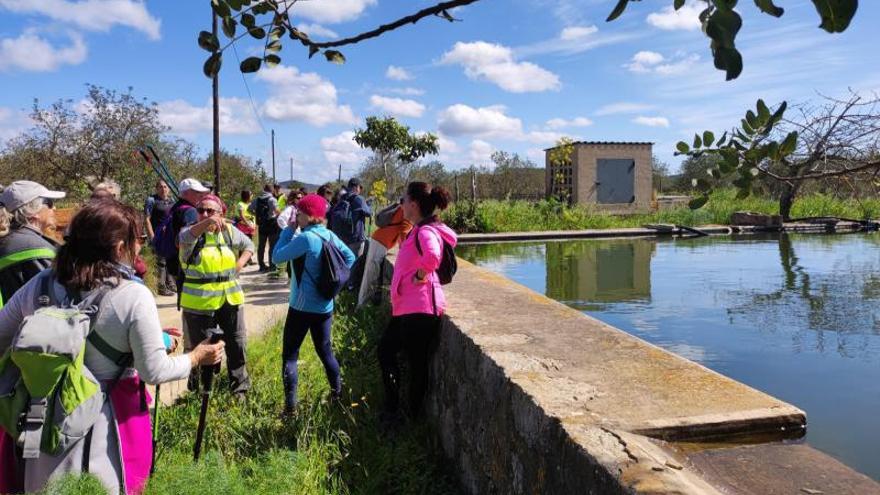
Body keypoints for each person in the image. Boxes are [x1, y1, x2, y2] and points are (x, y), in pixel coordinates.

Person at [0, 200, 224, 495]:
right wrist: (196, 357)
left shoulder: (42, 283)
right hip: (103, 428)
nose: (140, 248)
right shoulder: (132, 295)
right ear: (120, 247)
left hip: (42, 420)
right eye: (137, 241)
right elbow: (153, 370)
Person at [378, 182, 456, 422]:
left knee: (410, 362)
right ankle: (401, 412)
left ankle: (405, 416)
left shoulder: (425, 232)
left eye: (403, 199)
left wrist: (420, 275)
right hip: (411, 307)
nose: (401, 203)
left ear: (413, 204)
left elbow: (433, 255)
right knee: (393, 354)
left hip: (419, 309)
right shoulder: (420, 228)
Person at [271, 194, 355, 415]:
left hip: (300, 307)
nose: (295, 215)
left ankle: (290, 409)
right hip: (325, 306)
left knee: (290, 356)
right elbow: (350, 258)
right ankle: (338, 395)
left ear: (307, 215)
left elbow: (277, 257)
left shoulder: (305, 238)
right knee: (325, 352)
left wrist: (288, 231)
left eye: (298, 212)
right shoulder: (329, 235)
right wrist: (332, 284)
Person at [179, 195, 254, 398]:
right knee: (200, 348)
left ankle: (239, 389)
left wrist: (239, 266)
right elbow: (185, 239)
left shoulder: (229, 231)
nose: (204, 214)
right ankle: (199, 392)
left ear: (221, 213)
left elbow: (249, 246)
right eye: (201, 210)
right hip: (199, 303)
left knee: (236, 343)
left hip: (230, 300)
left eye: (210, 211)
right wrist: (207, 222)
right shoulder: (189, 232)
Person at [0, 180, 65, 308]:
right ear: (33, 212)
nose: (54, 208)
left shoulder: (8, 239)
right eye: (49, 203)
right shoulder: (36, 248)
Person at [357, 198, 413, 307]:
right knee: (371, 274)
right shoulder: (406, 213)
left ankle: (362, 304)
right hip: (381, 242)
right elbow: (404, 234)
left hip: (378, 240)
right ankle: (361, 305)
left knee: (370, 273)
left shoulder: (400, 208)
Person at [165, 178, 210, 292]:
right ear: (186, 193)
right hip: (186, 264)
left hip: (174, 260)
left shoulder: (175, 207)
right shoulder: (190, 211)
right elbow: (189, 238)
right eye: (196, 192)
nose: (200, 195)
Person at [144, 180, 176, 296]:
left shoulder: (171, 200)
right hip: (158, 236)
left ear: (168, 188)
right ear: (156, 188)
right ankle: (161, 288)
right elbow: (147, 219)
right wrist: (152, 237)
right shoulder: (151, 200)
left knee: (169, 260)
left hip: (170, 237)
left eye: (165, 187)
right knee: (161, 262)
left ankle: (171, 284)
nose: (163, 189)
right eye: (160, 187)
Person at [329, 178, 372, 257]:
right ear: (356, 187)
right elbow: (368, 213)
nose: (360, 190)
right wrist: (369, 204)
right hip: (356, 239)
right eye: (360, 187)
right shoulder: (359, 199)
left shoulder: (342, 197)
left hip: (342, 237)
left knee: (345, 261)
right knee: (356, 264)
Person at [249, 184, 280, 273]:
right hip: (272, 224)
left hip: (262, 224)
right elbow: (277, 211)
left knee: (261, 246)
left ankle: (261, 266)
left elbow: (249, 209)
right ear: (272, 190)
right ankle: (272, 265)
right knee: (272, 245)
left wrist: (257, 215)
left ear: (264, 189)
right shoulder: (272, 199)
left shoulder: (257, 199)